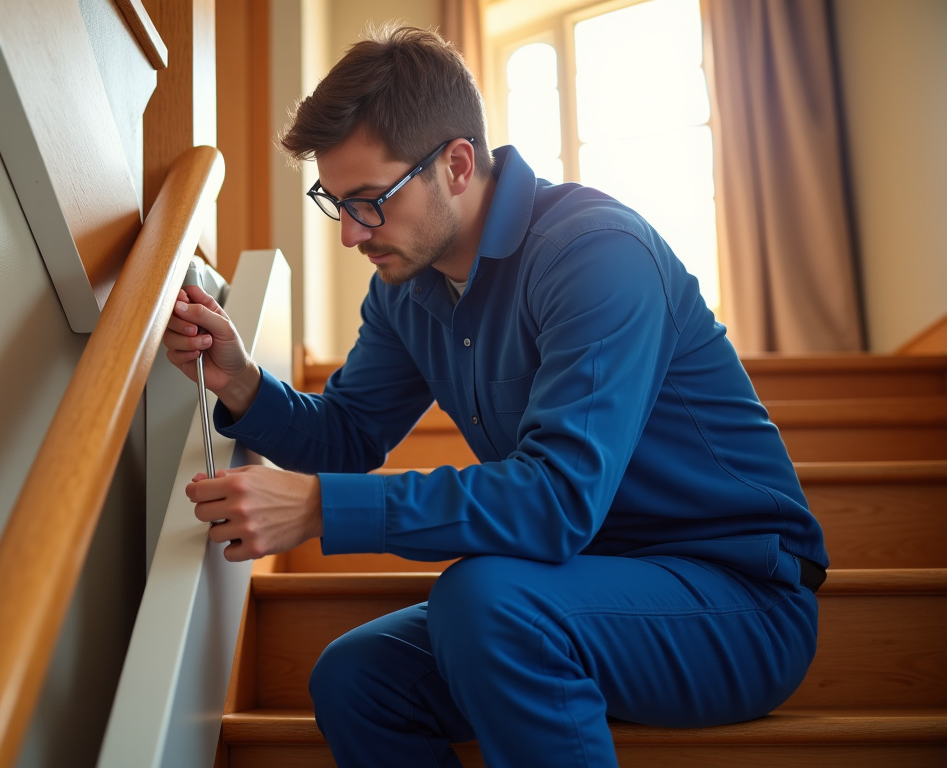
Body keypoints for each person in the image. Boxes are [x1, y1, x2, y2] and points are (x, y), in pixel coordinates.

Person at [163, 25, 826, 768]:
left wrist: (320, 507)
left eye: (369, 201)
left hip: (736, 602)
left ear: (455, 164)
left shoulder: (595, 252)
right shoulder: (406, 290)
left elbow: (555, 503)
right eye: (336, 202)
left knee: (483, 601)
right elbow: (350, 432)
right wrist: (243, 381)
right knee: (355, 678)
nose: (350, 234)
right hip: (573, 591)